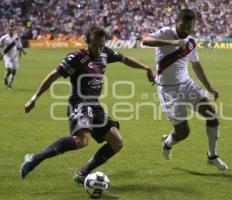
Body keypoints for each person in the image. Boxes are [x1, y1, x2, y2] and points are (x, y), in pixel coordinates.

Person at [20, 26, 156, 183]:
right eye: (95, 46)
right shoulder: (75, 58)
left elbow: (125, 59)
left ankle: (83, 173)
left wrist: (147, 68)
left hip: (94, 105)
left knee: (117, 142)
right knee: (81, 141)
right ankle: (35, 158)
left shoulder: (105, 53)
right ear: (86, 41)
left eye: (102, 46)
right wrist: (34, 98)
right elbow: (53, 76)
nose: (99, 50)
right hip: (79, 103)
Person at [142, 9, 228, 170]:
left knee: (212, 115)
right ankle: (167, 143)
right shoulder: (166, 33)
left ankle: (212, 155)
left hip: (187, 84)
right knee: (183, 133)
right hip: (168, 90)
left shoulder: (191, 42)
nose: (186, 30)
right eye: (183, 26)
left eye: (190, 27)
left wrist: (210, 88)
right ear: (176, 22)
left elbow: (196, 65)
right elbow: (146, 41)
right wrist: (172, 43)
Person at [0, 24, 26, 90]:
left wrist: (23, 51)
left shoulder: (16, 37)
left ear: (14, 30)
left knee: (14, 72)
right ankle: (5, 77)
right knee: (9, 69)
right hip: (7, 56)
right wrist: (0, 54)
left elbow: (19, 46)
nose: (11, 31)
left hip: (14, 56)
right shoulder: (3, 38)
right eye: (10, 29)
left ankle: (10, 84)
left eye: (12, 29)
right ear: (8, 30)